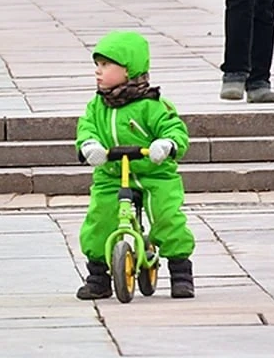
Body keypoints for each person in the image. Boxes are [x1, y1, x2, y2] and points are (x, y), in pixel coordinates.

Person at [75, 30, 196, 300]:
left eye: (106, 65)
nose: (98, 71)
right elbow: (87, 128)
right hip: (112, 173)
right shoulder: (97, 106)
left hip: (154, 173)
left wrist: (167, 145)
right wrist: (89, 145)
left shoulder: (153, 105)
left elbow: (174, 128)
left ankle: (180, 271)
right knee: (100, 217)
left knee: (167, 216)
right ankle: (98, 275)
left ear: (129, 70)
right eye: (97, 65)